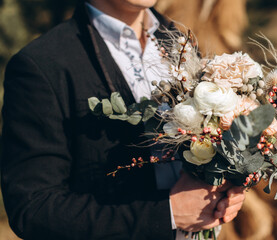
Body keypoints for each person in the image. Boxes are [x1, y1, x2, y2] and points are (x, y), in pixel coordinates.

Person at [1, 0, 245, 239]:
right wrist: (168, 214)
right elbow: (33, 209)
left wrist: (221, 188)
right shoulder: (43, 65)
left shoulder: (178, 40)